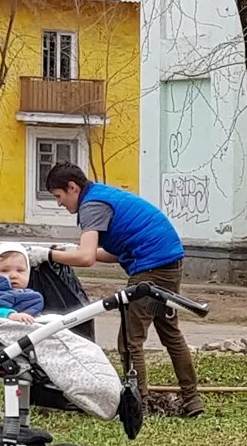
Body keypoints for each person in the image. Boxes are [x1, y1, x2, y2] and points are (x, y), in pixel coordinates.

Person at [41, 163, 200, 416]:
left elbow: (87, 258)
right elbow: (111, 253)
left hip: (151, 268)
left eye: (58, 196)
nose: (59, 204)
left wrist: (47, 254)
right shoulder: (104, 195)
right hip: (169, 261)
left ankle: (139, 405)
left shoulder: (91, 206)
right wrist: (67, 251)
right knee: (170, 332)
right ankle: (192, 401)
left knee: (129, 340)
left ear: (72, 187)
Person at [0, 242, 47, 319]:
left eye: (20, 270)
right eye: (5, 270)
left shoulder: (30, 294)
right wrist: (11, 315)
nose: (13, 275)